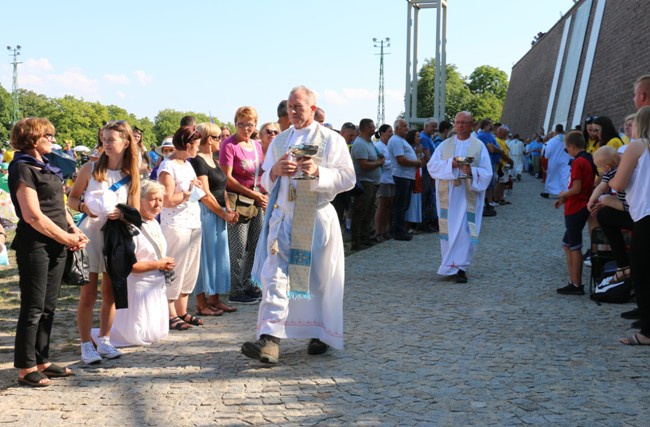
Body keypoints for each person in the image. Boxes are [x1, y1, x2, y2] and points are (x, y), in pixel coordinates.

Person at [240, 85, 354, 363]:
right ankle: (269, 340)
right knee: (274, 277)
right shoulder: (280, 141)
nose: (292, 112)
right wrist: (277, 171)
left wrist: (318, 172)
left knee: (318, 280)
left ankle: (320, 333)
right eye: (289, 107)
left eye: (298, 107)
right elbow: (265, 180)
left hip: (316, 217)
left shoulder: (331, 139)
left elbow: (348, 178)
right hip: (284, 218)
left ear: (313, 109)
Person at [9, 117, 89, 386]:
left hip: (58, 242)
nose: (53, 140)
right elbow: (33, 215)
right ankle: (25, 368)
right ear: (33, 137)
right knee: (33, 307)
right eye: (49, 135)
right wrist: (66, 236)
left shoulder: (45, 165)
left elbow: (59, 204)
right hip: (35, 245)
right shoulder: (21, 167)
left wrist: (73, 230)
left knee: (48, 307)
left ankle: (42, 360)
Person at [68, 120, 140, 365]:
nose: (106, 144)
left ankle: (105, 339)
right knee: (88, 294)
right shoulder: (90, 168)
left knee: (110, 292)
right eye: (104, 139)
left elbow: (136, 210)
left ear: (126, 142)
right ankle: (86, 343)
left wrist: (122, 214)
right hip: (89, 235)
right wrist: (83, 207)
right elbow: (72, 199)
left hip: (114, 238)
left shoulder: (131, 175)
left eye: (111, 139)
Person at [428, 111, 492, 283]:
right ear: (454, 124)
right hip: (449, 196)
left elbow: (487, 173)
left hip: (468, 197)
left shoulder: (479, 146)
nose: (461, 126)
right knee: (449, 229)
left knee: (465, 229)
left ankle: (461, 267)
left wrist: (472, 171)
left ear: (472, 124)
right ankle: (449, 266)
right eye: (458, 122)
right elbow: (432, 166)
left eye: (465, 122)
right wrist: (452, 164)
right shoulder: (444, 146)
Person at [107, 180, 173, 347]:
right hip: (139, 291)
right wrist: (158, 264)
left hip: (156, 289)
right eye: (152, 199)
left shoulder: (154, 223)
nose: (157, 204)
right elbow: (130, 267)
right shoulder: (130, 228)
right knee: (136, 337)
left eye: (160, 200)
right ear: (140, 201)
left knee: (156, 334)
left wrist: (166, 262)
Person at [610, 106, 650, 344]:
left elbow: (619, 182)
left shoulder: (638, 146)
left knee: (643, 274)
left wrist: (611, 178)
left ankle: (647, 332)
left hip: (646, 216)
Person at [158, 126, 204, 330]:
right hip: (176, 224)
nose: (198, 149)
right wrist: (187, 193)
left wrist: (196, 190)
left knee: (191, 269)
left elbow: (192, 191)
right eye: (196, 145)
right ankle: (169, 314)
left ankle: (182, 310)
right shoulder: (168, 167)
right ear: (187, 145)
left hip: (193, 221)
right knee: (175, 269)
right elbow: (166, 200)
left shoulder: (187, 164)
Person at [190, 123, 239, 316]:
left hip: (219, 212)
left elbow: (223, 188)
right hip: (207, 213)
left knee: (218, 257)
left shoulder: (213, 160)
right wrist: (223, 213)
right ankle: (201, 304)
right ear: (209, 139)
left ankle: (215, 300)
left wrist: (229, 209)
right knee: (205, 257)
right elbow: (205, 193)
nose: (222, 141)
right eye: (219, 137)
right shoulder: (198, 161)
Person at [220, 106, 267, 305]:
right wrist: (253, 193)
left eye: (250, 124)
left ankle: (247, 283)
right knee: (238, 247)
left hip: (257, 200)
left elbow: (262, 171)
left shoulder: (256, 145)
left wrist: (263, 193)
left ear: (255, 125)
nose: (245, 128)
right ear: (235, 123)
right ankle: (235, 289)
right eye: (241, 124)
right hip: (239, 200)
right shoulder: (229, 145)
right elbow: (227, 178)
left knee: (255, 245)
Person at [554, 131, 596, 295]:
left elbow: (576, 188)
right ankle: (573, 280)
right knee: (567, 244)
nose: (567, 151)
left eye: (567, 149)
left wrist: (564, 194)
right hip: (582, 204)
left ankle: (576, 284)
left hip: (576, 207)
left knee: (574, 246)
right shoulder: (588, 158)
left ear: (571, 146)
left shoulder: (578, 162)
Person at [588, 146, 632, 288]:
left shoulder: (611, 172)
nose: (599, 170)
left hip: (628, 208)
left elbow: (601, 187)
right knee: (604, 206)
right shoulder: (624, 166)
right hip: (632, 207)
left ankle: (623, 266)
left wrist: (591, 201)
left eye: (599, 168)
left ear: (606, 166)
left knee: (605, 198)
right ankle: (623, 266)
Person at [350, 118, 383, 250]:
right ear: (366, 128)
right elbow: (363, 165)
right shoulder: (360, 144)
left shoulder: (369, 143)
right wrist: (379, 163)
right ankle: (356, 241)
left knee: (369, 212)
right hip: (364, 183)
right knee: (360, 212)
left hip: (372, 183)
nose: (375, 129)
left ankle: (365, 238)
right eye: (373, 126)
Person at [388, 119, 422, 241]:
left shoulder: (401, 140)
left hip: (407, 176)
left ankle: (400, 229)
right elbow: (401, 160)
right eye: (403, 126)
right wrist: (416, 162)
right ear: (397, 128)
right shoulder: (396, 140)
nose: (407, 128)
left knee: (404, 204)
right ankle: (398, 231)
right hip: (402, 175)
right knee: (401, 205)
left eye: (407, 125)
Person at [373, 124, 395, 242]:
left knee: (389, 206)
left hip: (391, 178)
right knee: (382, 206)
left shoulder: (390, 146)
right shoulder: (378, 146)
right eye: (389, 131)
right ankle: (378, 232)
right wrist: (392, 163)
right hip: (383, 179)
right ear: (382, 133)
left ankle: (385, 230)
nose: (391, 134)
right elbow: (380, 162)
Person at [541, 124, 571, 198]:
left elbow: (547, 153)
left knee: (552, 176)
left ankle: (548, 191)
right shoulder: (567, 140)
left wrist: (547, 157)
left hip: (553, 161)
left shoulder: (552, 140)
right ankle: (565, 192)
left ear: (556, 131)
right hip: (565, 161)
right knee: (564, 176)